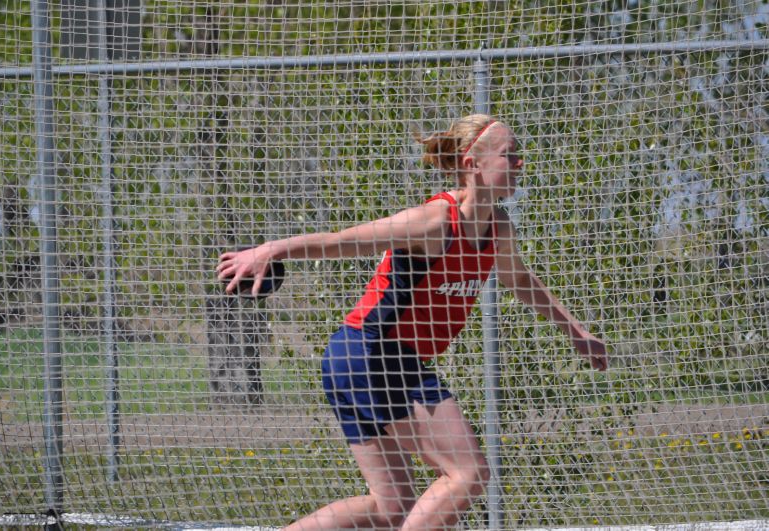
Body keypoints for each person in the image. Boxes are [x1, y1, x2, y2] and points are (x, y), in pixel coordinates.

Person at [217, 114, 608, 530]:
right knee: (469, 473)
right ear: (472, 163)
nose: (519, 164)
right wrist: (272, 250)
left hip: (360, 359)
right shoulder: (435, 221)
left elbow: (519, 279)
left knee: (391, 508)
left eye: (519, 156)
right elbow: (343, 242)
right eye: (509, 156)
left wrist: (577, 332)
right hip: (373, 354)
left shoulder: (499, 228)